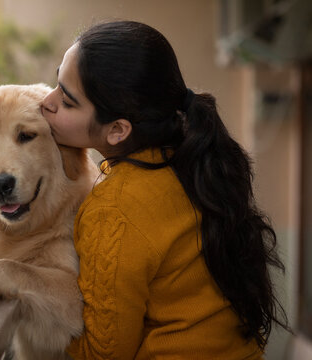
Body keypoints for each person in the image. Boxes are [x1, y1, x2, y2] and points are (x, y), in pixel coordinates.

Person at [41, 21, 290, 359]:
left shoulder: (115, 206)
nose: (47, 102)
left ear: (117, 130)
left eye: (68, 102)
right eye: (57, 83)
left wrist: (31, 328)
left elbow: (103, 353)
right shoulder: (187, 162)